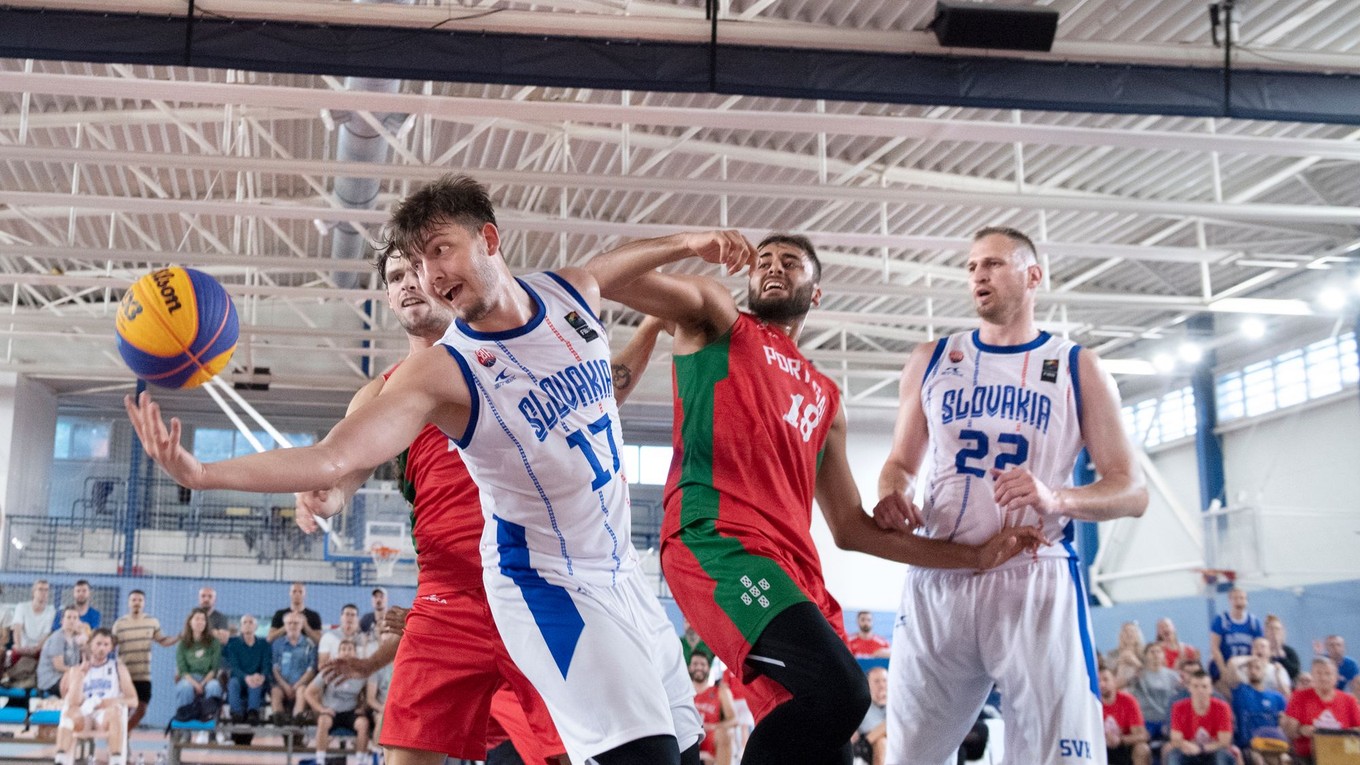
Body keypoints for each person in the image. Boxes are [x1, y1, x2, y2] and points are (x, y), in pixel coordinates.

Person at [126, 174, 708, 765]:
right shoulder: (411, 386)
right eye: (402, 275)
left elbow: (601, 358)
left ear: (483, 244)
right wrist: (229, 478)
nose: (418, 282)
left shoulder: (555, 310)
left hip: (608, 573)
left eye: (429, 262)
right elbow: (334, 462)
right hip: (496, 588)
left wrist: (681, 259)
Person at [584, 229, 1046, 765]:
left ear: (817, 292)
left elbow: (852, 529)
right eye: (763, 260)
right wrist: (689, 244)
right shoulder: (717, 319)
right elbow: (602, 275)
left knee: (831, 747)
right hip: (717, 547)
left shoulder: (825, 397)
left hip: (797, 577)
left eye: (791, 261)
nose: (773, 266)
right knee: (843, 692)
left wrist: (975, 557)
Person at [872, 226, 1149, 765]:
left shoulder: (1076, 365)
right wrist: (892, 494)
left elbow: (1131, 490)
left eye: (994, 264)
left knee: (1056, 756)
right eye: (973, 266)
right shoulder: (932, 358)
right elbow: (900, 464)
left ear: (1033, 275)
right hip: (941, 574)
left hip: (1033, 572)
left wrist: (1058, 498)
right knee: (909, 756)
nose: (979, 274)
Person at [294, 242, 573, 764]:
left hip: (534, 585)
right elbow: (341, 476)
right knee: (407, 752)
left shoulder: (511, 360)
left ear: (443, 279)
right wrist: (321, 496)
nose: (405, 283)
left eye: (414, 271)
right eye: (395, 276)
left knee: (569, 752)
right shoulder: (379, 394)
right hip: (449, 599)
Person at [53, 628, 136, 765]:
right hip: (84, 716)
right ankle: (61, 760)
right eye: (98, 644)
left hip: (105, 715)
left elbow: (133, 701)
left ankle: (116, 760)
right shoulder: (76, 670)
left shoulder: (118, 668)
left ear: (111, 648)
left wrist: (109, 702)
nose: (102, 648)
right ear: (90, 644)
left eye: (106, 645)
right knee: (68, 714)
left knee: (116, 713)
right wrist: (80, 676)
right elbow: (73, 702)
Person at [110, 589, 177, 728]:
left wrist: (180, 636)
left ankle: (125, 733)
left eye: (140, 600)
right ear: (129, 603)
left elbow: (163, 641)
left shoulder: (152, 622)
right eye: (134, 600)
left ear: (144, 603)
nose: (137, 603)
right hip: (124, 675)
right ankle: (120, 739)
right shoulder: (119, 623)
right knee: (123, 708)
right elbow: (110, 645)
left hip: (143, 675)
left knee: (142, 709)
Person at [306, 638, 375, 765]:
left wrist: (363, 707)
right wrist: (321, 709)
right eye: (343, 649)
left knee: (363, 723)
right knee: (323, 721)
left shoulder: (361, 673)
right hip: (331, 711)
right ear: (338, 653)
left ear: (355, 653)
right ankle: (320, 760)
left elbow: (369, 694)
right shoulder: (329, 670)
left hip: (350, 712)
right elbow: (309, 693)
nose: (347, 652)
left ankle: (360, 761)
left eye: (350, 649)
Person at [1281, 657, 1360, 763]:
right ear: (1312, 676)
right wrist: (1301, 730)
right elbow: (1289, 731)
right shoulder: (1299, 697)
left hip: (1342, 755)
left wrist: (1346, 733)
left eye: (1327, 674)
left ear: (1336, 677)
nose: (1323, 678)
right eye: (1318, 673)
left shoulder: (1349, 700)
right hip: (1308, 756)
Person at [1224, 656, 1289, 765]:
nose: (1253, 671)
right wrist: (1252, 657)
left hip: (1274, 745)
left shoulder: (1277, 698)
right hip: (1249, 746)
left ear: (1264, 672)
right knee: (1258, 760)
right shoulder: (1241, 691)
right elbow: (1231, 664)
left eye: (1257, 668)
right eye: (1250, 668)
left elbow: (1285, 724)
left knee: (1286, 759)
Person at [1166, 670, 1234, 765]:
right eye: (1196, 686)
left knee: (1222, 756)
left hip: (1214, 750)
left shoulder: (1222, 707)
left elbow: (1224, 741)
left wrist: (1201, 748)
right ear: (1189, 688)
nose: (1200, 690)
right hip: (1188, 749)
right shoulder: (1178, 707)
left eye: (1204, 686)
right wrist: (1186, 745)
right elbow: (1176, 739)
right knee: (1173, 756)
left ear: (1211, 689)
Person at [3, 579, 53, 689]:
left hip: (39, 650)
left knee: (42, 659)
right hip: (22, 647)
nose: (44, 593)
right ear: (33, 592)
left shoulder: (51, 611)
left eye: (46, 590)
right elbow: (17, 628)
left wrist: (36, 649)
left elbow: (46, 635)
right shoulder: (22, 607)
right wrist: (19, 646)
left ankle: (14, 679)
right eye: (40, 589)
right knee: (12, 654)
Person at [1125, 643, 1180, 744]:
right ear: (1145, 656)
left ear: (1163, 655)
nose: (1155, 654)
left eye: (1158, 651)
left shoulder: (1173, 676)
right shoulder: (1139, 675)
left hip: (1166, 720)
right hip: (1146, 721)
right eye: (1152, 652)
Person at [174, 607, 223, 715]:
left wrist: (203, 683)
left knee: (214, 686)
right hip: (189, 678)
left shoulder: (214, 642)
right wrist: (195, 684)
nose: (200, 622)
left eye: (203, 619)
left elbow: (214, 669)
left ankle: (209, 722)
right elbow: (182, 670)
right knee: (185, 688)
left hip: (208, 678)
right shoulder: (182, 644)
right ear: (190, 622)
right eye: (197, 619)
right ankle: (184, 721)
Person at [270, 611, 317, 724]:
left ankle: (297, 719)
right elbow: (275, 668)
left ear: (301, 625)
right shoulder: (277, 644)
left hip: (301, 684)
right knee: (275, 691)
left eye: (296, 623)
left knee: (302, 691)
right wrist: (285, 686)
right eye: (289, 623)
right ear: (285, 626)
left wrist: (296, 685)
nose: (292, 626)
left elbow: (311, 670)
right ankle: (279, 718)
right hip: (282, 685)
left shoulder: (309, 644)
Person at [224, 614, 271, 723]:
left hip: (256, 678)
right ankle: (236, 713)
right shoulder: (233, 645)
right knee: (233, 682)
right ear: (241, 627)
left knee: (256, 682)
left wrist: (262, 676)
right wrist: (246, 677)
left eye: (251, 622)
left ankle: (253, 712)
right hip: (239, 678)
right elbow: (234, 667)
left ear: (256, 627)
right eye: (245, 622)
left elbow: (266, 665)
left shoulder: (263, 644)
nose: (248, 625)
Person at [689, 652, 735, 765]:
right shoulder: (681, 693)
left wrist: (713, 727)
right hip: (688, 739)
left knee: (726, 733)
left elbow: (733, 720)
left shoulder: (720, 691)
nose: (699, 667)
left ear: (708, 669)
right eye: (695, 664)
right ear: (689, 668)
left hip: (711, 741)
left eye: (702, 664)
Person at [1099, 667, 1151, 765]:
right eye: (1098, 681)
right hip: (1099, 746)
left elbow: (1142, 735)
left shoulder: (1128, 701)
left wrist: (1120, 740)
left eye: (1106, 679)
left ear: (1114, 681)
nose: (1102, 684)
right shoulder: (1091, 703)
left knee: (1143, 749)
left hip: (1124, 745)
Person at [1210, 588, 1263, 681]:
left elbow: (1259, 648)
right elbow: (1215, 647)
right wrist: (1224, 670)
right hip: (1225, 665)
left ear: (1247, 601)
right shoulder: (1221, 620)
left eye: (1241, 598)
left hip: (1247, 667)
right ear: (1229, 601)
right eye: (1235, 598)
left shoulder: (1254, 622)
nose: (1238, 601)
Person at [37, 607, 87, 697]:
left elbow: (84, 661)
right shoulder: (58, 637)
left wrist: (84, 643)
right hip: (51, 679)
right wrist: (77, 671)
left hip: (68, 676)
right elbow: (58, 666)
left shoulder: (76, 638)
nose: (72, 621)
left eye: (75, 618)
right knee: (77, 687)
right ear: (62, 621)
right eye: (68, 617)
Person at [852, 667, 888, 765]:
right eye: (877, 681)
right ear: (868, 684)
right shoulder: (862, 704)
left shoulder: (895, 703)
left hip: (893, 740)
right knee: (882, 742)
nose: (882, 685)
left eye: (884, 680)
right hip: (866, 743)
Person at [1107, 622, 1147, 688]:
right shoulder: (1112, 654)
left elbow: (1151, 675)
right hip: (1119, 689)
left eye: (1132, 631)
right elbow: (1107, 676)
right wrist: (1119, 663)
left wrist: (1136, 663)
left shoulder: (1144, 653)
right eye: (1126, 631)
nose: (1129, 634)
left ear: (1137, 635)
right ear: (1121, 635)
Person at [1264, 615, 1300, 683]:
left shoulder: (1289, 652)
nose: (1274, 632)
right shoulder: (1261, 650)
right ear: (1266, 632)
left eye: (1277, 629)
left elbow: (1295, 673)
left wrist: (1283, 658)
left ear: (1282, 632)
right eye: (1271, 629)